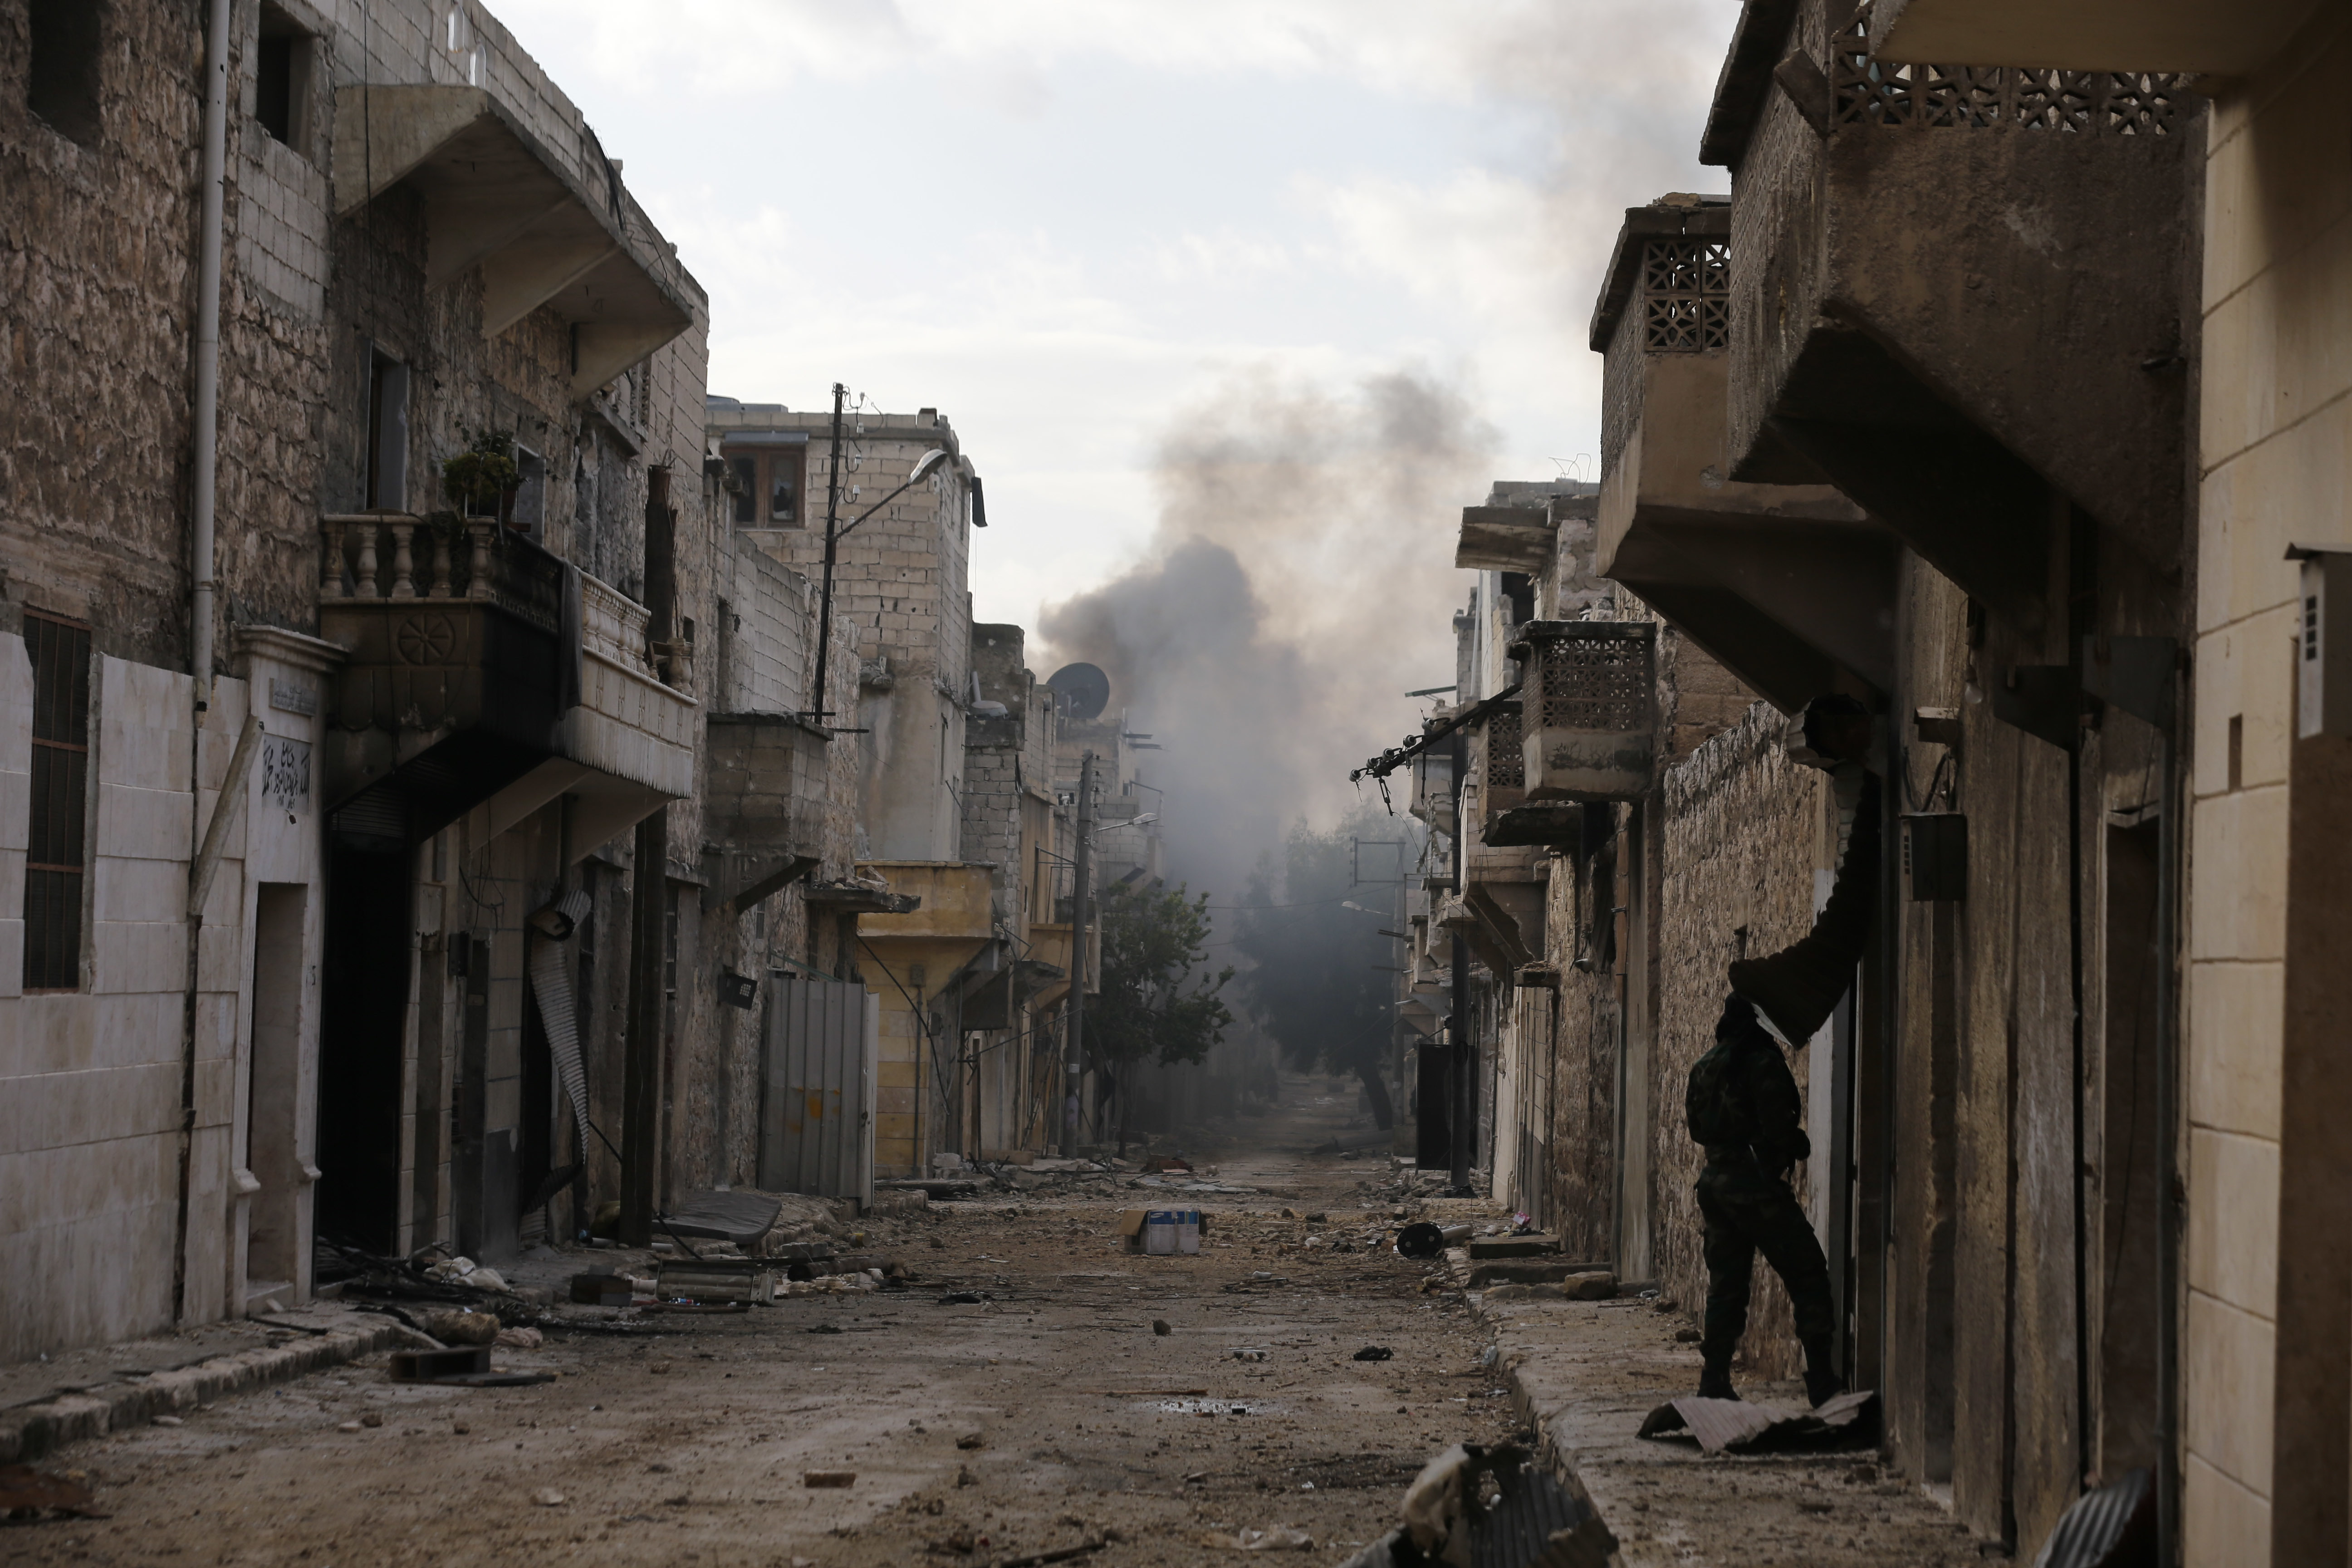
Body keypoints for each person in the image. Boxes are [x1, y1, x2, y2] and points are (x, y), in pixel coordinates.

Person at [1684, 992, 1843, 1406]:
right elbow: (1779, 1128)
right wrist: (1798, 1145)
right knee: (1807, 1273)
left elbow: (1698, 1131)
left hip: (1715, 1184)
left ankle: (1714, 1377)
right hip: (1755, 1187)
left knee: (1726, 1287)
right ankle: (1822, 1377)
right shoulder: (1760, 1061)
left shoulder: (1704, 1067)